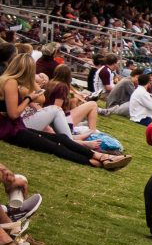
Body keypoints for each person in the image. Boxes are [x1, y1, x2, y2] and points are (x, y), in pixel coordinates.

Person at [0, 53, 130, 170]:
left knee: (59, 138)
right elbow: (14, 114)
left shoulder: (6, 80)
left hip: (14, 128)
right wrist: (29, 98)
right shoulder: (11, 82)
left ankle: (101, 157)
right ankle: (98, 161)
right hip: (11, 130)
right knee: (54, 146)